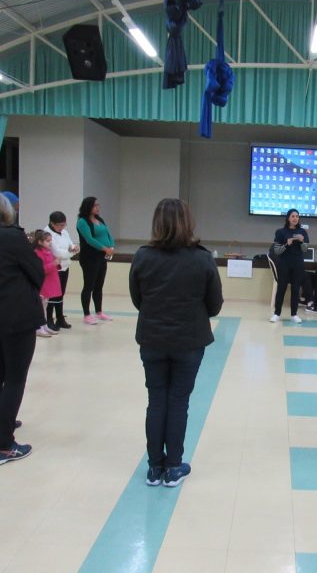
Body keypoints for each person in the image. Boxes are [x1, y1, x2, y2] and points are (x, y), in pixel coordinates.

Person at [129, 199, 223, 487]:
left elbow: (137, 299)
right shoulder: (202, 258)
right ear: (188, 222)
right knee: (178, 401)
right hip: (189, 341)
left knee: (156, 399)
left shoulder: (143, 256)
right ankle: (173, 467)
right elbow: (214, 305)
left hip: (152, 338)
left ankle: (154, 467)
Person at [0, 191, 45, 466]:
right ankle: (1, 446)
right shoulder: (11, 237)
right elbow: (36, 272)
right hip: (16, 318)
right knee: (14, 379)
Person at [76, 197, 115, 325]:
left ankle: (99, 311)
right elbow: (89, 239)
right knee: (89, 285)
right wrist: (105, 248)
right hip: (89, 257)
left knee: (99, 285)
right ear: (88, 206)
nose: (98, 207)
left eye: (98, 205)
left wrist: (111, 246)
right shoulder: (82, 222)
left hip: (101, 257)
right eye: (95, 205)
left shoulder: (100, 219)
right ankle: (86, 314)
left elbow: (107, 234)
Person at [270, 208, 309, 323]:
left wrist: (302, 241)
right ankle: (277, 313)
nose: (295, 218)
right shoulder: (281, 232)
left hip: (298, 263)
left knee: (296, 288)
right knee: (281, 288)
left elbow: (305, 250)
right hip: (284, 263)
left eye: (297, 216)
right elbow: (277, 251)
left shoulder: (302, 232)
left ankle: (294, 314)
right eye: (293, 216)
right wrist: (287, 244)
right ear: (288, 218)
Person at [45, 211, 79, 330]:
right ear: (52, 223)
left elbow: (71, 245)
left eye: (64, 224)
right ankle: (49, 319)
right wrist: (71, 252)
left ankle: (60, 318)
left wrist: (73, 249)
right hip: (54, 269)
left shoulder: (64, 232)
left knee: (60, 294)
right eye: (60, 225)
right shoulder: (47, 234)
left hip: (65, 267)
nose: (62, 227)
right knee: (52, 295)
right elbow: (57, 253)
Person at [31, 230, 61, 338]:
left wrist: (57, 263)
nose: (50, 243)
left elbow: (53, 264)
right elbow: (40, 269)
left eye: (50, 240)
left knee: (45, 305)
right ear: (40, 242)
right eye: (47, 241)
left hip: (50, 281)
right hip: (43, 283)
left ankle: (44, 325)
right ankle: (38, 327)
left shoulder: (48, 251)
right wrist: (53, 264)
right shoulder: (37, 253)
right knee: (40, 306)